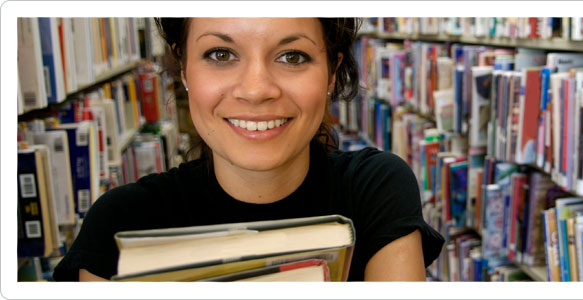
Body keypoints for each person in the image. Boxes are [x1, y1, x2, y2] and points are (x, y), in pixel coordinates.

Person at [53, 17, 444, 282]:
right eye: (220, 55)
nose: (256, 90)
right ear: (185, 69)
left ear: (331, 71)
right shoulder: (120, 223)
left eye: (292, 57)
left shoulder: (376, 189)